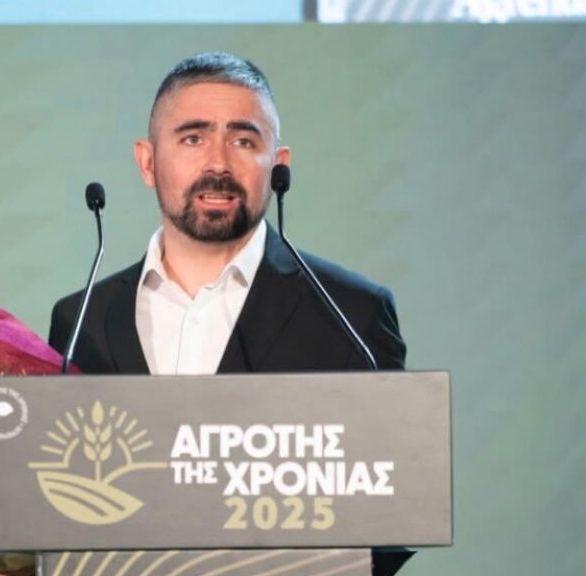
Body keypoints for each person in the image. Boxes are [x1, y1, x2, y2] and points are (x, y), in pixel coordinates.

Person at [48, 52, 411, 576]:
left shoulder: (351, 312)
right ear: (147, 162)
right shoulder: (82, 318)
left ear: (278, 164)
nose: (218, 164)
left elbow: (392, 514)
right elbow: (53, 498)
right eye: (192, 138)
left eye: (243, 141)